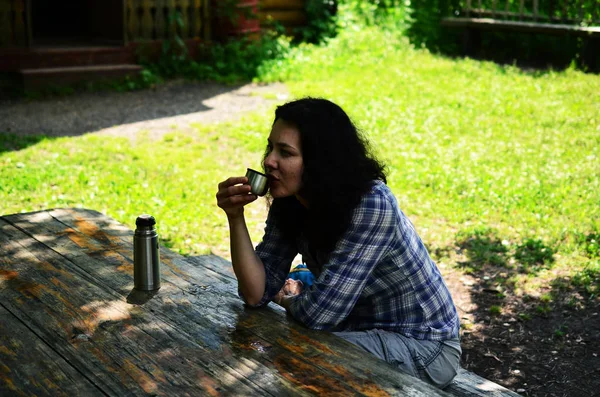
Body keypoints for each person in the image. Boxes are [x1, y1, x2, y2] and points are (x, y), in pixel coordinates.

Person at [215, 97, 461, 388]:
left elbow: (317, 315)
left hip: (423, 345)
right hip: (355, 328)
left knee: (296, 359)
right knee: (280, 349)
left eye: (286, 152)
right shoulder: (292, 201)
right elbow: (256, 293)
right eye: (271, 147)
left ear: (321, 161)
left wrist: (286, 298)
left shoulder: (370, 203)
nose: (269, 160)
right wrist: (235, 217)